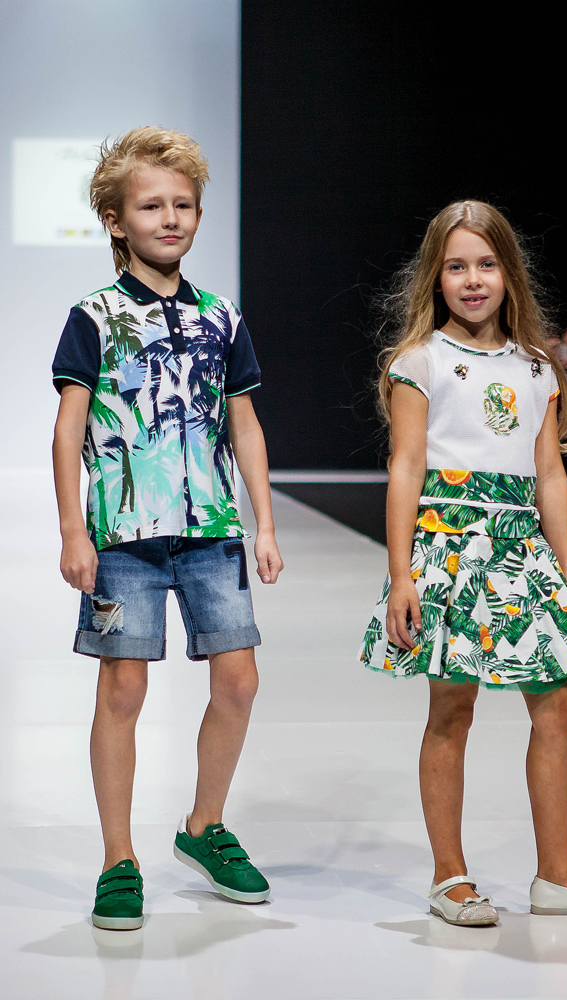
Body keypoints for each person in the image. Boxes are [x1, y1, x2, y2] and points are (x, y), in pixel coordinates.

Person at [359, 200, 567, 926]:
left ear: (509, 273)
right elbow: (406, 467)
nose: (472, 279)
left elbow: (550, 474)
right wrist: (402, 574)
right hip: (448, 545)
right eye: (456, 266)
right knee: (452, 706)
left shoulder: (537, 367)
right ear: (435, 277)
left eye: (486, 264)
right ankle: (449, 876)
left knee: (559, 702)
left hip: (521, 549)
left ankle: (557, 875)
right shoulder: (419, 362)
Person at [52, 127, 284, 930]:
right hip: (123, 537)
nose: (171, 218)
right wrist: (72, 531)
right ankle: (118, 858)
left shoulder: (222, 317)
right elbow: (68, 430)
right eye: (152, 206)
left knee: (240, 680)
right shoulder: (94, 316)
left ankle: (204, 826)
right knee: (123, 687)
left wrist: (263, 522)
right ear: (117, 221)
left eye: (183, 204)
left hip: (213, 529)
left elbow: (243, 423)